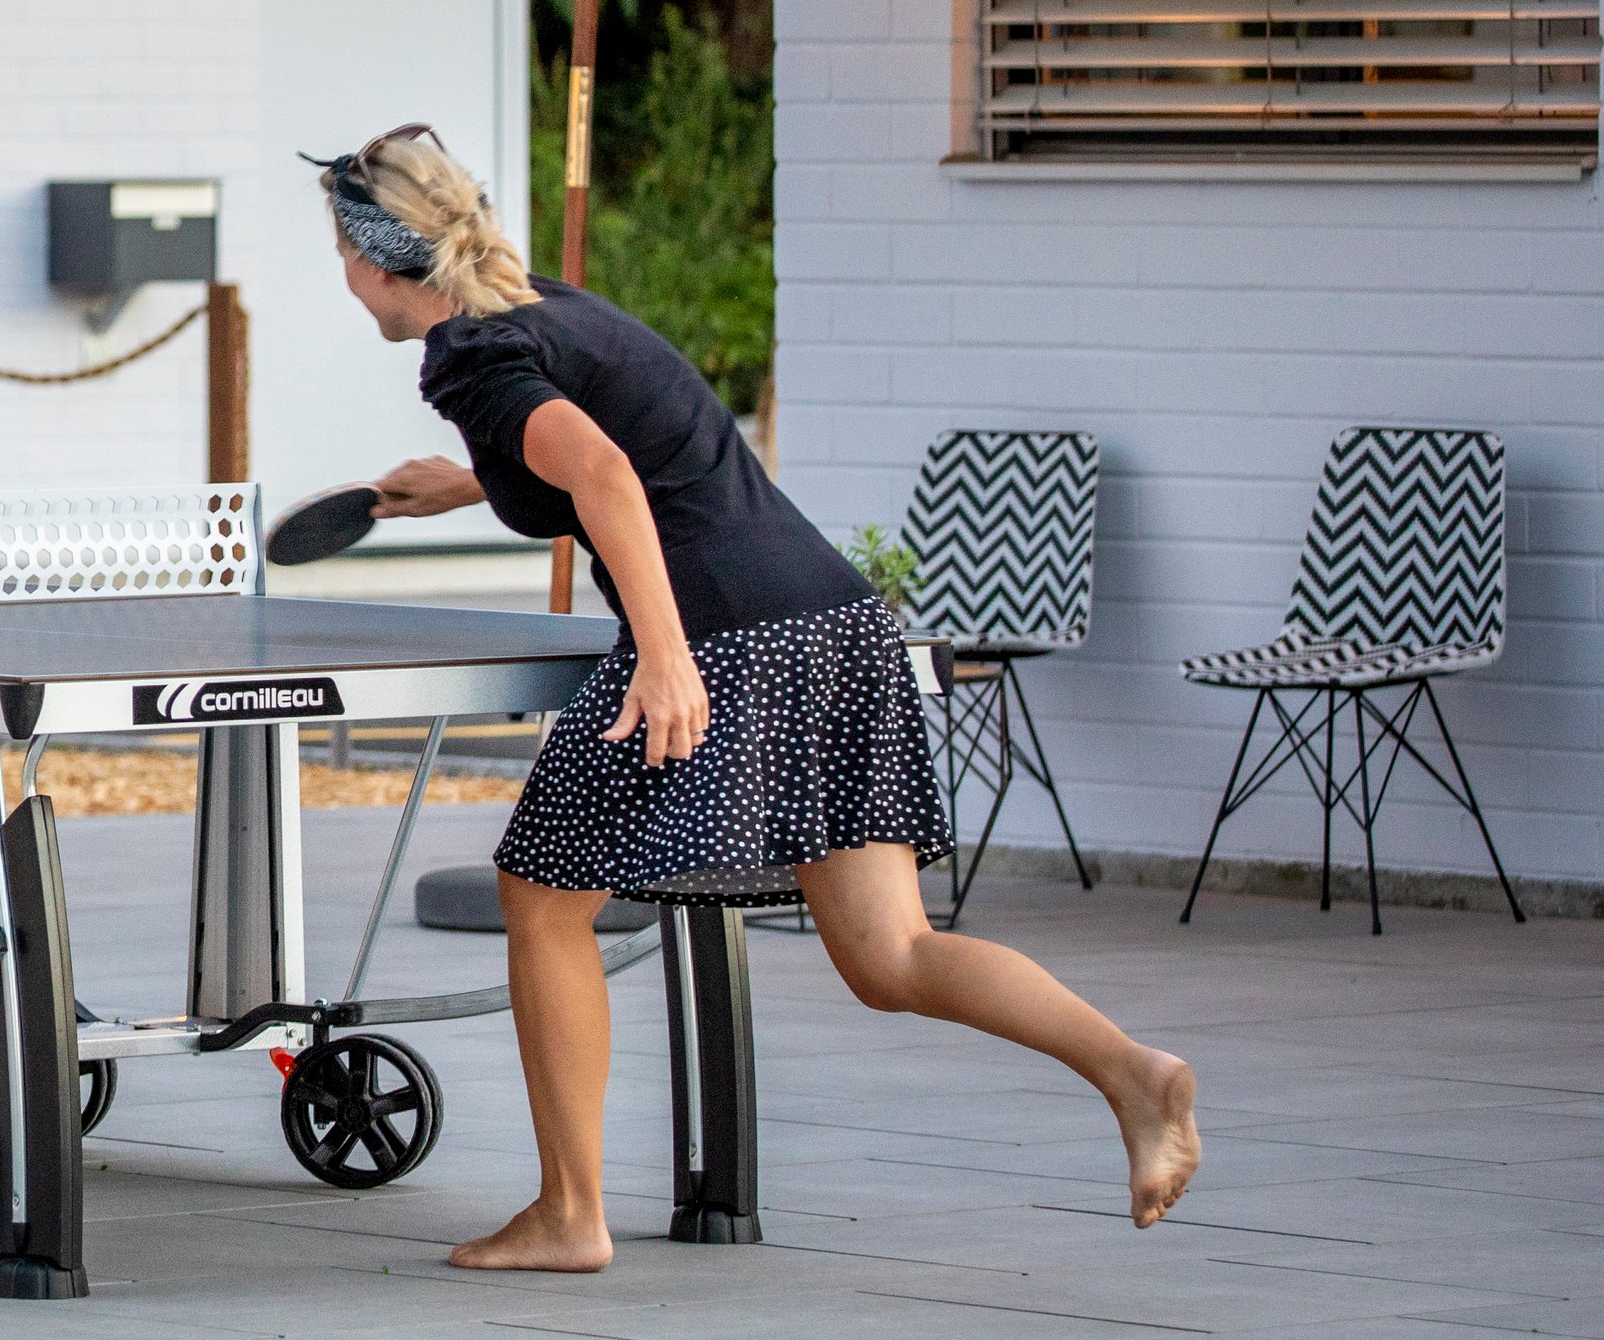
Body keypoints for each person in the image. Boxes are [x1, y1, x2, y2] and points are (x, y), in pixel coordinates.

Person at [316, 124, 1201, 1269]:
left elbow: (604, 471)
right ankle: (1133, 1073)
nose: (339, 277)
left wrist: (666, 655)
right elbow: (624, 438)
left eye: (337, 252)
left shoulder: (470, 360)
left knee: (538, 892)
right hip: (831, 620)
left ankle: (570, 1214)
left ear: (375, 261)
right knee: (891, 955)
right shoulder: (542, 308)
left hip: (728, 637)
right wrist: (472, 480)